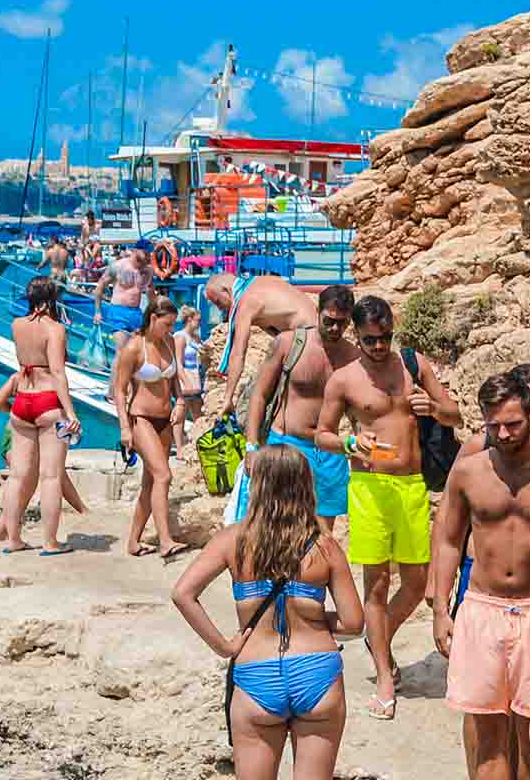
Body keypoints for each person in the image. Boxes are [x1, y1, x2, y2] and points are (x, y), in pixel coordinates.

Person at [170, 445, 363, 780]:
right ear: (306, 484)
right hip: (316, 671)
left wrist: (224, 646)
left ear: (256, 484)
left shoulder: (232, 539)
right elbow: (353, 623)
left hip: (257, 674)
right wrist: (315, 617)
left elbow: (183, 594)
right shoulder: (324, 544)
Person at [310, 294, 461, 719]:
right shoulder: (344, 379)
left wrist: (433, 408)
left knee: (417, 585)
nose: (380, 347)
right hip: (370, 486)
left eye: (386, 338)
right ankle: (383, 675)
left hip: (411, 485)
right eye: (371, 340)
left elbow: (456, 415)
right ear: (358, 337)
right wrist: (349, 442)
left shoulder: (413, 364)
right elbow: (321, 433)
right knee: (375, 587)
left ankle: (379, 641)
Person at [431, 373, 530, 780]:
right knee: (487, 736)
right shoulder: (469, 472)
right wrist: (440, 607)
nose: (504, 434)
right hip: (482, 607)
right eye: (494, 426)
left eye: (513, 424)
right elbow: (449, 540)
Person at [242, 286, 359, 537]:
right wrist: (252, 446)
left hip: (329, 452)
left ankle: (312, 577)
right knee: (279, 526)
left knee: (322, 534)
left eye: (342, 322)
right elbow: (259, 395)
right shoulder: (289, 343)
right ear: (317, 312)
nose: (335, 328)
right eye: (329, 321)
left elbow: (359, 411)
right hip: (286, 444)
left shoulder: (352, 356)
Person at [0, 277, 83, 556]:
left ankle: (14, 539)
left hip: (22, 402)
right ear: (51, 300)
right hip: (47, 402)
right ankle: (51, 542)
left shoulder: (16, 325)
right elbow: (57, 372)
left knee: (17, 476)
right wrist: (70, 412)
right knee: (51, 476)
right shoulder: (55, 329)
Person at [112, 294, 190, 559]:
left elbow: (176, 382)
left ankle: (133, 542)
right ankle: (165, 541)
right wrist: (124, 428)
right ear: (153, 318)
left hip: (164, 421)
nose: (171, 330)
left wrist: (180, 403)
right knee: (163, 476)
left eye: (173, 325)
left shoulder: (168, 342)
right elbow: (119, 391)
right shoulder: (134, 348)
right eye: (167, 324)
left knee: (150, 483)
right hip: (141, 419)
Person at [211, 272, 324, 427]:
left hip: (305, 339)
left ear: (226, 290)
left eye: (217, 301)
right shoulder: (259, 283)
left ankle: (254, 442)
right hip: (312, 336)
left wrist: (227, 398)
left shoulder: (245, 302)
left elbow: (238, 352)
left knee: (256, 396)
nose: (220, 308)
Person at [92, 243, 153, 350]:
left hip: (136, 313)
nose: (148, 255)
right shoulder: (118, 266)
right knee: (122, 351)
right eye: (145, 252)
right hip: (118, 312)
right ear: (136, 250)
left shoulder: (147, 271)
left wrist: (154, 313)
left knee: (137, 353)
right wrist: (97, 312)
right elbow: (100, 287)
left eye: (149, 253)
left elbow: (150, 292)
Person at [173, 304, 205, 455]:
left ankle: (196, 446)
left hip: (197, 377)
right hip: (186, 376)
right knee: (181, 414)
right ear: (189, 319)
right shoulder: (180, 337)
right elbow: (178, 362)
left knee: (198, 415)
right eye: (197, 320)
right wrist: (184, 381)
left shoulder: (197, 338)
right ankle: (179, 448)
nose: (199, 323)